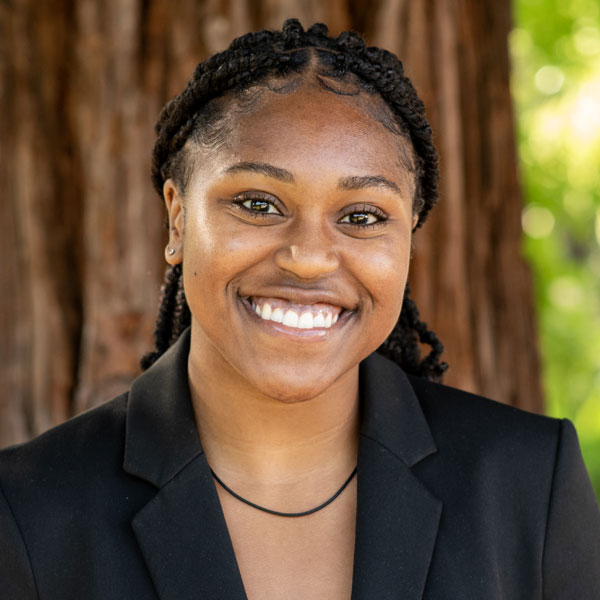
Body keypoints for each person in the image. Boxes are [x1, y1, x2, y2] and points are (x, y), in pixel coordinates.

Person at [1, 19, 599, 599]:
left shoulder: (528, 483)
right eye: (259, 204)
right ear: (178, 217)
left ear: (410, 236)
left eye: (362, 216)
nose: (310, 259)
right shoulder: (25, 511)